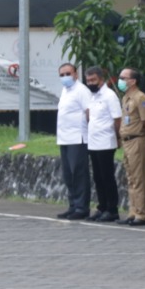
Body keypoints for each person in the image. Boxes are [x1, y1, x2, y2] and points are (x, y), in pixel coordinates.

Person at [84, 66, 122, 222]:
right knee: (98, 177)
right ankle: (102, 206)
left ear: (101, 79)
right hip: (93, 142)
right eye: (88, 80)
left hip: (106, 141)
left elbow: (117, 119)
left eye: (93, 80)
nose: (90, 83)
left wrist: (117, 137)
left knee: (107, 177)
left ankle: (112, 209)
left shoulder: (109, 95)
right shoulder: (93, 96)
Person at [55, 63, 92, 220]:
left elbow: (89, 111)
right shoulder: (65, 90)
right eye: (62, 75)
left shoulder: (81, 90)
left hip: (78, 138)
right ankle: (73, 205)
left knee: (78, 173)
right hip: (64, 138)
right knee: (68, 174)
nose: (65, 77)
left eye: (68, 73)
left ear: (76, 74)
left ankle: (82, 207)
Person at [118, 67, 145, 226]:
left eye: (123, 78)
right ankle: (133, 211)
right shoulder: (126, 97)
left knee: (139, 178)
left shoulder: (141, 98)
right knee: (131, 178)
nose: (121, 81)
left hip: (138, 139)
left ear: (133, 81)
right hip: (127, 141)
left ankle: (141, 213)